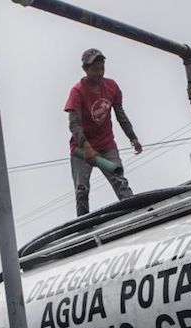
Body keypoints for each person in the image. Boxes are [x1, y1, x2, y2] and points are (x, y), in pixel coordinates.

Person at [65, 48, 143, 217]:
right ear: (85, 69)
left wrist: (133, 137)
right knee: (81, 189)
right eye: (95, 69)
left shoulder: (112, 86)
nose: (99, 73)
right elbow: (74, 125)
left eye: (102, 68)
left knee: (120, 181)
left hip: (106, 144)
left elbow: (120, 114)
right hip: (82, 148)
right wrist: (86, 148)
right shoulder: (77, 92)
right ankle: (84, 227)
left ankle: (135, 214)